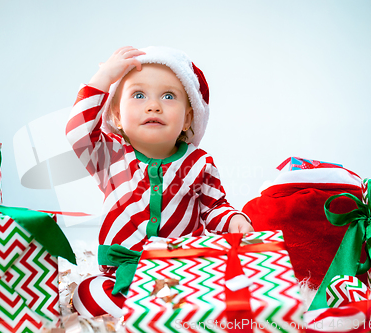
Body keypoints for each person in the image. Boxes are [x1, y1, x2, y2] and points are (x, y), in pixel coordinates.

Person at [66, 46, 253, 318]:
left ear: (188, 118)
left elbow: (214, 207)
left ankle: (164, 313)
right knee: (89, 293)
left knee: (220, 293)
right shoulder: (109, 155)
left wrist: (233, 220)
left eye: (168, 96)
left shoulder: (199, 162)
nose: (153, 105)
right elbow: (77, 133)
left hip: (183, 271)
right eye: (138, 95)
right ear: (117, 115)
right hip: (123, 274)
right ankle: (154, 314)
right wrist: (103, 78)